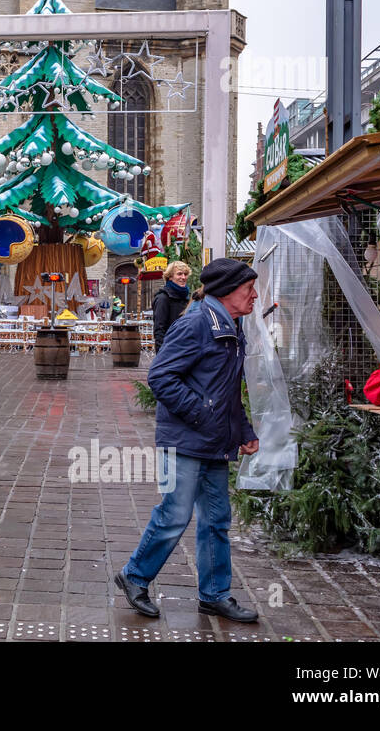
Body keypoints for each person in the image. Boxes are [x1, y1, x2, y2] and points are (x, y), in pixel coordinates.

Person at [115, 257, 261, 624]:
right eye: (249, 289)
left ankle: (214, 595)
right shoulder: (197, 323)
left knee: (216, 519)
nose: (255, 296)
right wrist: (202, 414)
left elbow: (226, 390)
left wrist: (242, 430)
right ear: (228, 292)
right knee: (175, 514)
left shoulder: (230, 325)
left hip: (213, 440)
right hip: (183, 440)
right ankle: (134, 576)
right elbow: (161, 377)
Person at [151, 260, 192, 351]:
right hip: (171, 350)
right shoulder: (163, 298)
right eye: (179, 274)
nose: (183, 277)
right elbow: (159, 330)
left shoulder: (186, 298)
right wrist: (162, 357)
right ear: (170, 277)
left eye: (185, 274)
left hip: (185, 349)